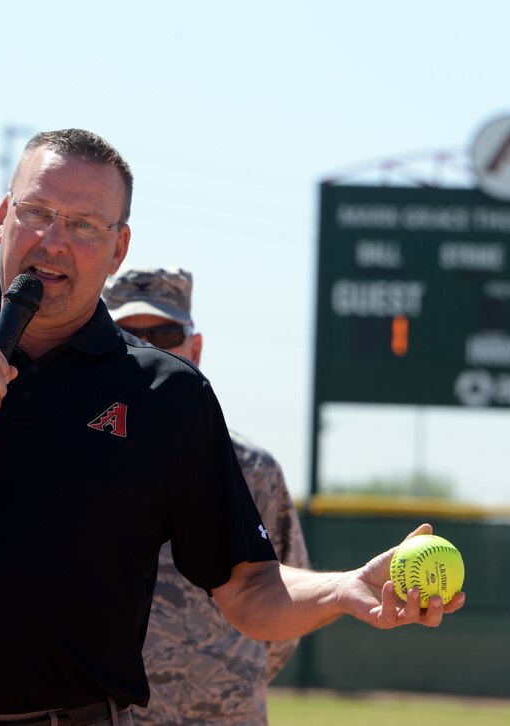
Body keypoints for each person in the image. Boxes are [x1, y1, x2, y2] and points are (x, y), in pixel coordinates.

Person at [0, 129, 464, 726]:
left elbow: (249, 590)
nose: (52, 241)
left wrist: (343, 590)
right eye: (36, 213)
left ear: (118, 247)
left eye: (84, 224)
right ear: (2, 216)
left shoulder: (166, 395)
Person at [103, 267, 310, 725]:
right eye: (126, 334)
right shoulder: (72, 458)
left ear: (194, 349)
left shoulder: (253, 468)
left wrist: (223, 679)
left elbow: (285, 605)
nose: (148, 348)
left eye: (164, 332)